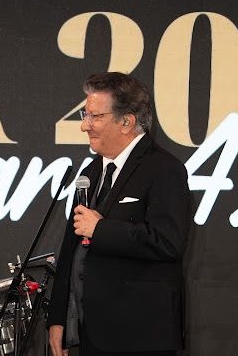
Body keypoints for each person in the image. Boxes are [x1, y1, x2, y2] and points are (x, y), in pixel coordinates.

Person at [48, 72, 190, 356]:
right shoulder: (91, 172)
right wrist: (58, 318)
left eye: (95, 116)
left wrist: (101, 230)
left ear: (127, 122)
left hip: (140, 336)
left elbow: (168, 242)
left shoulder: (164, 169)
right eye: (85, 115)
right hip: (92, 334)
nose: (84, 126)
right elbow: (70, 250)